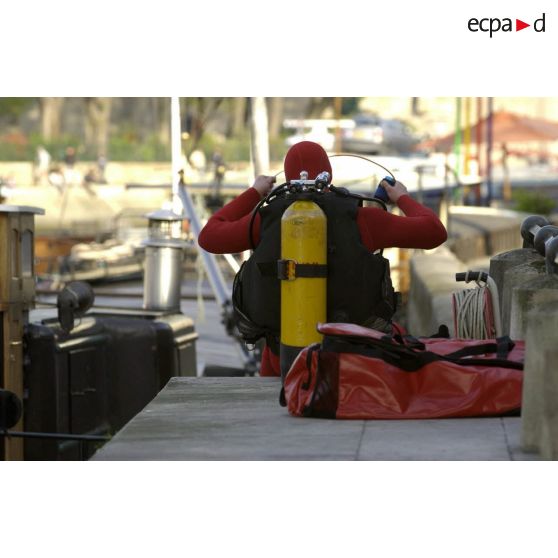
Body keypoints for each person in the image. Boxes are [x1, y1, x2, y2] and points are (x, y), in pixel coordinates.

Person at [198, 141, 447, 377]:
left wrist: (254, 193)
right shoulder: (361, 219)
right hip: (353, 356)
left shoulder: (266, 220)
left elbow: (209, 237)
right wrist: (401, 196)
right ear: (328, 175)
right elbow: (434, 232)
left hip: (282, 357)